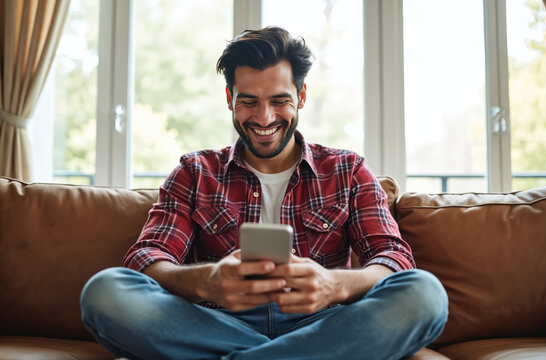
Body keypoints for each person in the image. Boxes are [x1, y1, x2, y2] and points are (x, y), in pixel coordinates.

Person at [80, 26, 448, 360]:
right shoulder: (195, 171)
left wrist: (334, 284)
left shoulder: (347, 169)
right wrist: (206, 281)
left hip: (323, 326)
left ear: (301, 96)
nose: (265, 117)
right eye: (249, 101)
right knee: (106, 291)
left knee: (424, 294)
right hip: (216, 325)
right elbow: (146, 258)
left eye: (279, 100)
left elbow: (393, 258)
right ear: (229, 99)